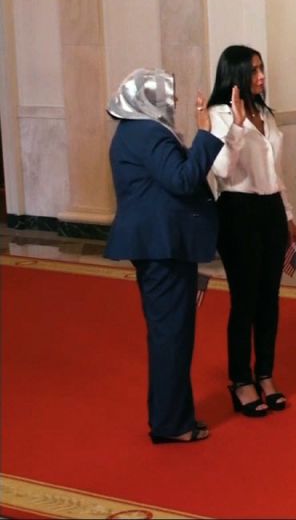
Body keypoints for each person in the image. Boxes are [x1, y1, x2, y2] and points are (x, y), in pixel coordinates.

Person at [104, 68, 222, 444]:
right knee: (171, 335)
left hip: (162, 244)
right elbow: (183, 179)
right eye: (164, 97)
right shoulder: (147, 133)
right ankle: (172, 424)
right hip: (162, 245)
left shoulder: (138, 132)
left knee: (171, 333)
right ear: (143, 100)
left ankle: (174, 417)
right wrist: (206, 133)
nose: (170, 103)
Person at [207, 45, 296, 417]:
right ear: (236, 75)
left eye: (262, 69)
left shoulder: (265, 112)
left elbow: (275, 171)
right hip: (238, 211)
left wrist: (288, 214)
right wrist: (238, 128)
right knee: (244, 301)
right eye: (254, 71)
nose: (261, 77)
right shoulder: (219, 114)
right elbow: (223, 170)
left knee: (269, 300)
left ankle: (265, 374)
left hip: (270, 210)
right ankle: (241, 380)